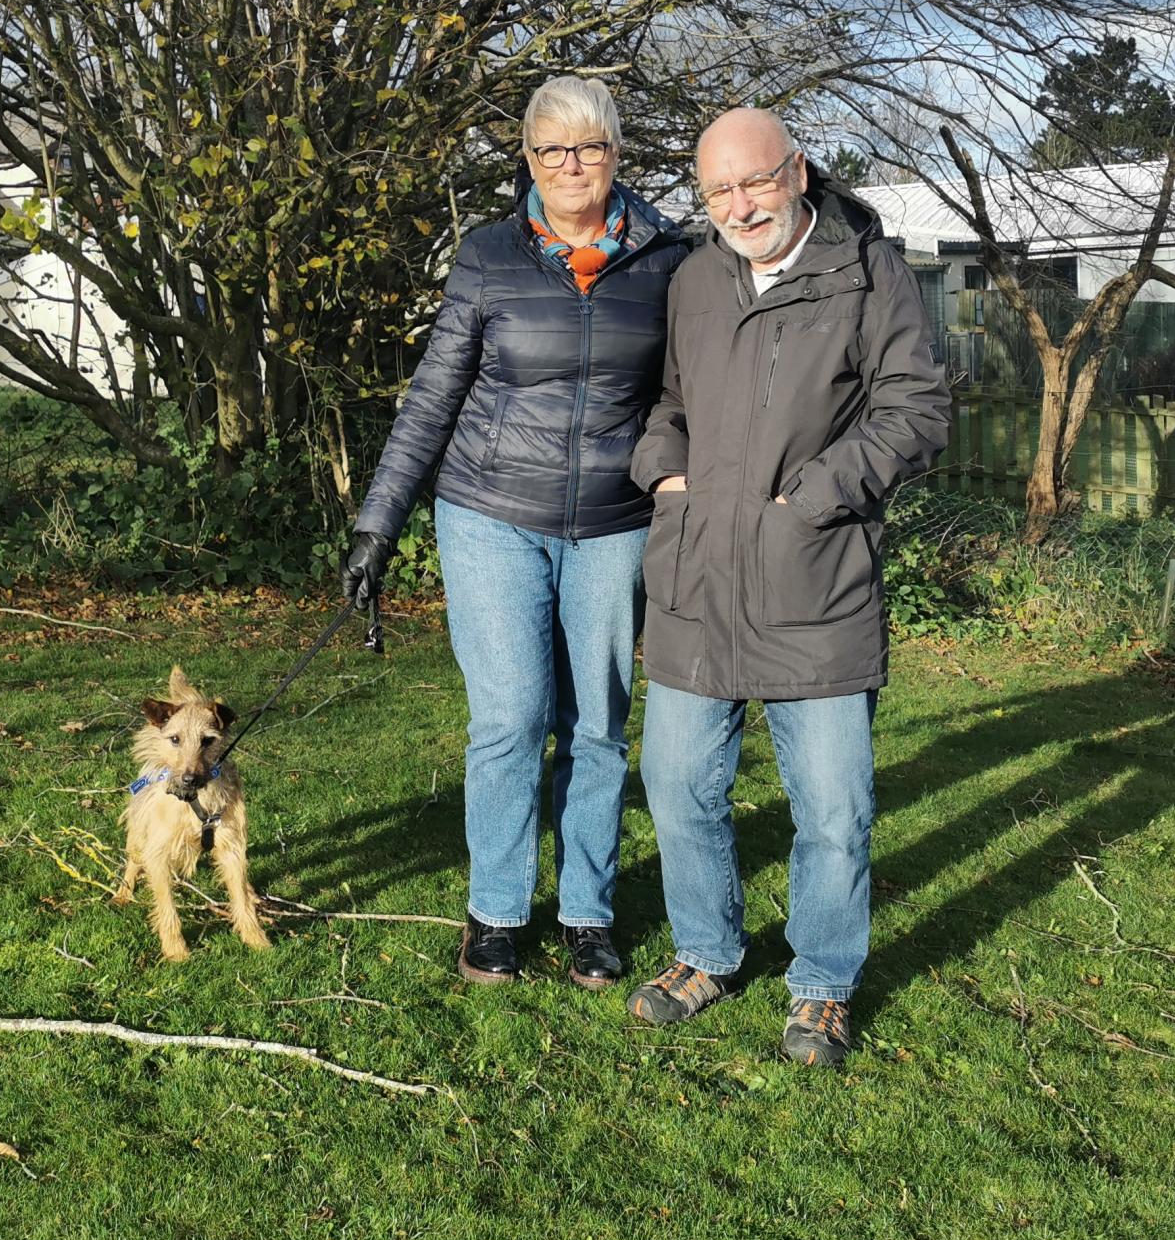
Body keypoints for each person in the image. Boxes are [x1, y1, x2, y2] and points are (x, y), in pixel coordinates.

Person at [341, 76, 690, 988]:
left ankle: (587, 913)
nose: (573, 167)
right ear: (529, 160)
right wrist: (379, 519)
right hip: (490, 514)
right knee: (509, 718)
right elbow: (434, 396)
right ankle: (494, 913)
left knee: (599, 728)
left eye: (592, 148)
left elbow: (689, 396)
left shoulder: (669, 258)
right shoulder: (491, 253)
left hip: (616, 524)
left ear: (620, 153)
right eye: (552, 151)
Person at [624, 106, 953, 1066]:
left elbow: (916, 405)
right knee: (679, 786)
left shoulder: (866, 273)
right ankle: (706, 954)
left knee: (833, 808)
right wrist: (663, 469)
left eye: (755, 181)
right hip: (696, 575)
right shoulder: (693, 279)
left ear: (798, 171)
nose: (738, 204)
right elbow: (670, 402)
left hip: (813, 577)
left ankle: (821, 984)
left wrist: (814, 497)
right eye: (718, 189)